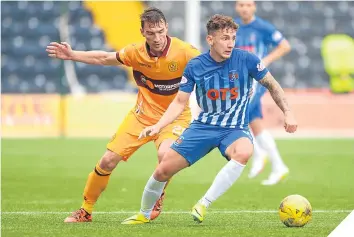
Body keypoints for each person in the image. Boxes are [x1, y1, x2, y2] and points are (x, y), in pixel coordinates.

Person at [121, 14, 297, 225]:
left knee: (243, 152)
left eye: (232, 38)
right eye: (224, 38)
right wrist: (158, 126)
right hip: (203, 127)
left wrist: (287, 112)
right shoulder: (195, 65)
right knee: (163, 170)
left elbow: (272, 84)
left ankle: (203, 203)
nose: (230, 43)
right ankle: (144, 213)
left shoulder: (247, 59)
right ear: (210, 40)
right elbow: (179, 102)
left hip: (235, 128)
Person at [46, 7, 200, 222]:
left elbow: (212, 67)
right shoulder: (135, 52)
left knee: (166, 156)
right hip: (141, 116)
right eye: (151, 33)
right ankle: (85, 210)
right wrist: (72, 55)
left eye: (160, 32)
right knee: (107, 160)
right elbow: (103, 58)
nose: (157, 38)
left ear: (167, 28)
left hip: (176, 117)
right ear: (142, 32)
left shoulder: (186, 51)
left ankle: (157, 196)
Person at [234, 0, 292, 185]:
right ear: (237, 7)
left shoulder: (262, 27)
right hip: (240, 80)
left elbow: (285, 45)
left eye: (248, 5)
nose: (244, 8)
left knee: (239, 115)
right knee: (253, 122)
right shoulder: (234, 27)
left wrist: (266, 60)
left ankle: (260, 155)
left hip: (257, 80)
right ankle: (276, 164)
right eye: (241, 5)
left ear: (254, 7)